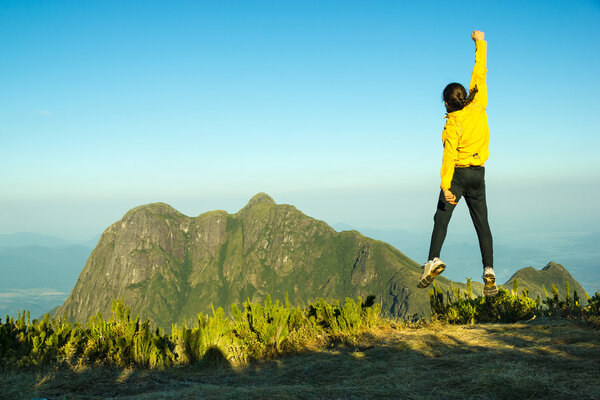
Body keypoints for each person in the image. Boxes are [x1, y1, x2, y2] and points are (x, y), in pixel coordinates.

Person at [417, 30, 497, 297]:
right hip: (479, 174)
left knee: (441, 218)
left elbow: (448, 156)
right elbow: (480, 71)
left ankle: (433, 260)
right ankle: (489, 270)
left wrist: (445, 185)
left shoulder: (453, 123)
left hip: (458, 175)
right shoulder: (479, 104)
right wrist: (480, 42)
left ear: (447, 104)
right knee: (482, 224)